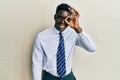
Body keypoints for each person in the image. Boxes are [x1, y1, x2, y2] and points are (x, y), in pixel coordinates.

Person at [32, 3, 96, 80]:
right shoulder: (41, 37)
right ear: (55, 17)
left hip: (68, 77)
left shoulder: (74, 34)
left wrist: (77, 28)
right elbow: (37, 63)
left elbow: (92, 48)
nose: (62, 21)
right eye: (59, 17)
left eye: (67, 19)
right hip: (50, 77)